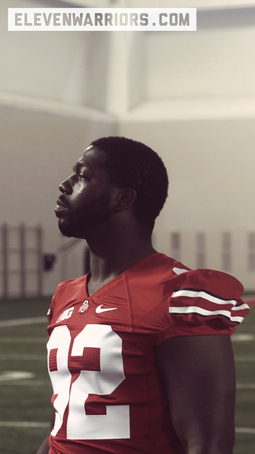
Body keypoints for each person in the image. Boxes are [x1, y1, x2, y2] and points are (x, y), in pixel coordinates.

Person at [36, 136, 249, 454]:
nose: (64, 185)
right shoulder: (65, 296)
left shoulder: (178, 295)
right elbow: (65, 423)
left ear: (122, 199)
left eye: (81, 176)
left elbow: (209, 444)